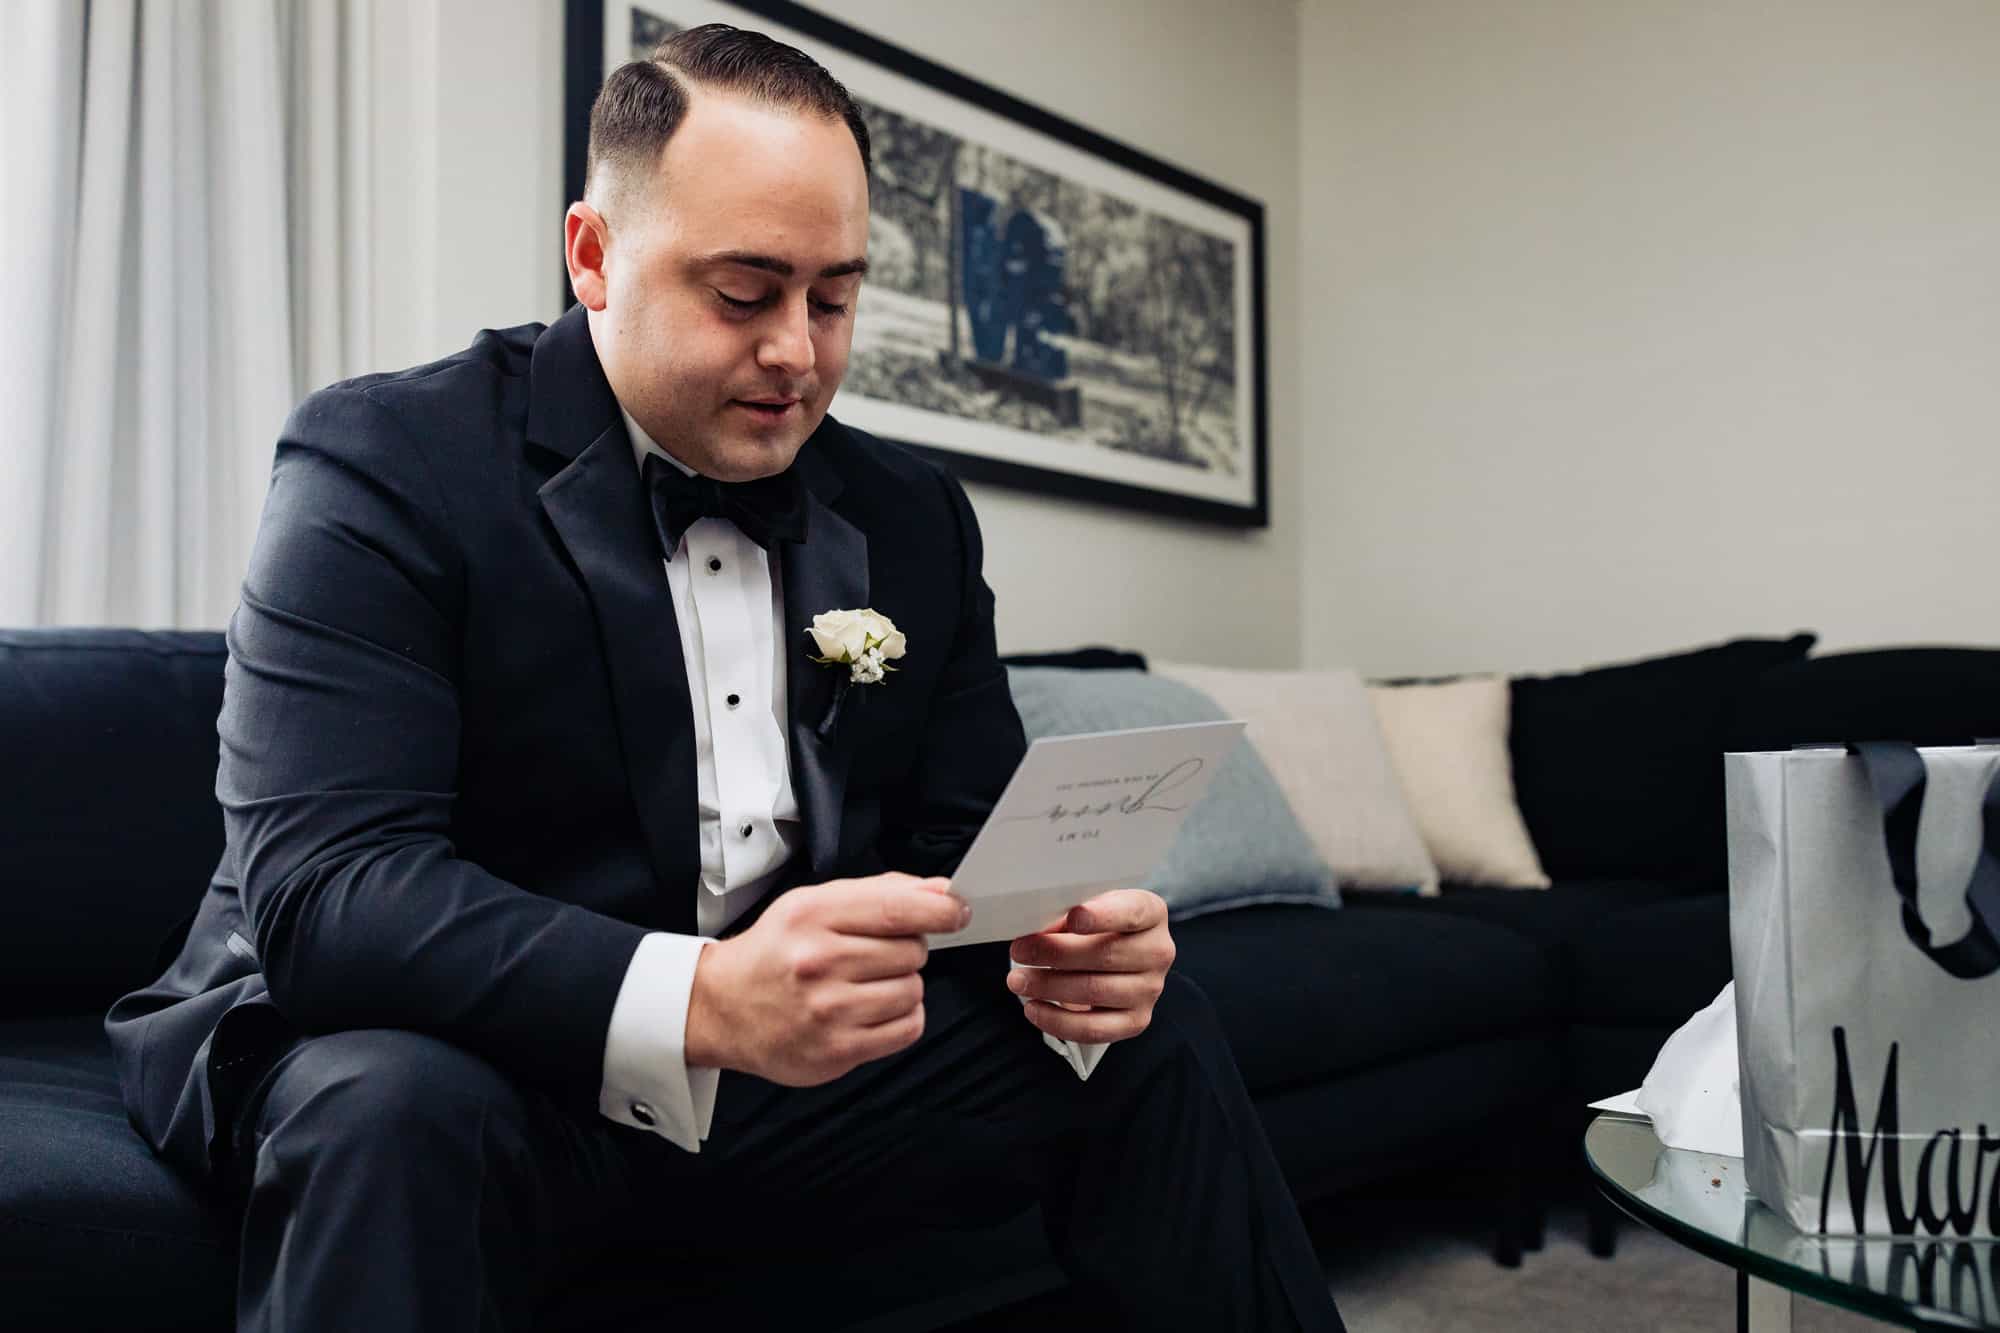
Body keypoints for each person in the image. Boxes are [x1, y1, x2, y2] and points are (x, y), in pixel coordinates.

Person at [105, 23, 1346, 1333]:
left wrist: (1065, 941)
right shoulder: (387, 459)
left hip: (774, 1079)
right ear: (593, 255)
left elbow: (959, 837)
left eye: (837, 296)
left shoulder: (913, 513)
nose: (800, 354)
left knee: (1150, 1036)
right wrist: (700, 996)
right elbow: (333, 892)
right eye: (745, 294)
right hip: (468, 1054)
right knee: (393, 1111)